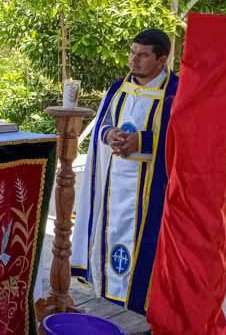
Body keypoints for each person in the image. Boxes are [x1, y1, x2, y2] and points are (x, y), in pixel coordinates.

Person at [71, 29, 178, 315]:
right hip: (112, 185)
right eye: (132, 52)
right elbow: (103, 125)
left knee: (144, 255)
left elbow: (186, 141)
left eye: (143, 55)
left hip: (152, 192)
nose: (134, 59)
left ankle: (138, 312)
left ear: (162, 60)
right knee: (110, 241)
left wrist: (141, 142)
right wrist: (110, 135)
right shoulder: (118, 88)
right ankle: (107, 302)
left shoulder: (175, 93)